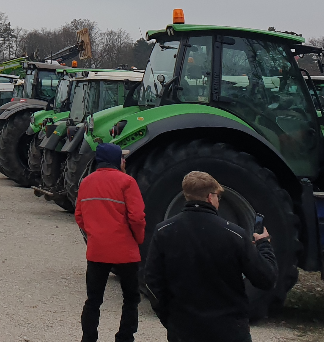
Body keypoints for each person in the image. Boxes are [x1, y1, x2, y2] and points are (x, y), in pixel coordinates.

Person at [144, 171, 277, 342]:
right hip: (229, 330)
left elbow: (152, 281)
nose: (218, 201)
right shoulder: (235, 235)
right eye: (218, 197)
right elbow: (266, 278)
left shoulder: (164, 231)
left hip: (184, 329)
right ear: (209, 197)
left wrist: (169, 318)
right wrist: (264, 244)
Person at [74, 143, 145, 342]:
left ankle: (89, 338)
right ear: (116, 160)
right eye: (122, 158)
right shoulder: (127, 182)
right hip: (125, 250)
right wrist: (138, 239)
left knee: (93, 299)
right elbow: (137, 217)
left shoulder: (86, 182)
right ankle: (124, 337)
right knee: (131, 298)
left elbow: (79, 215)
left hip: (97, 250)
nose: (124, 162)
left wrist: (94, 234)